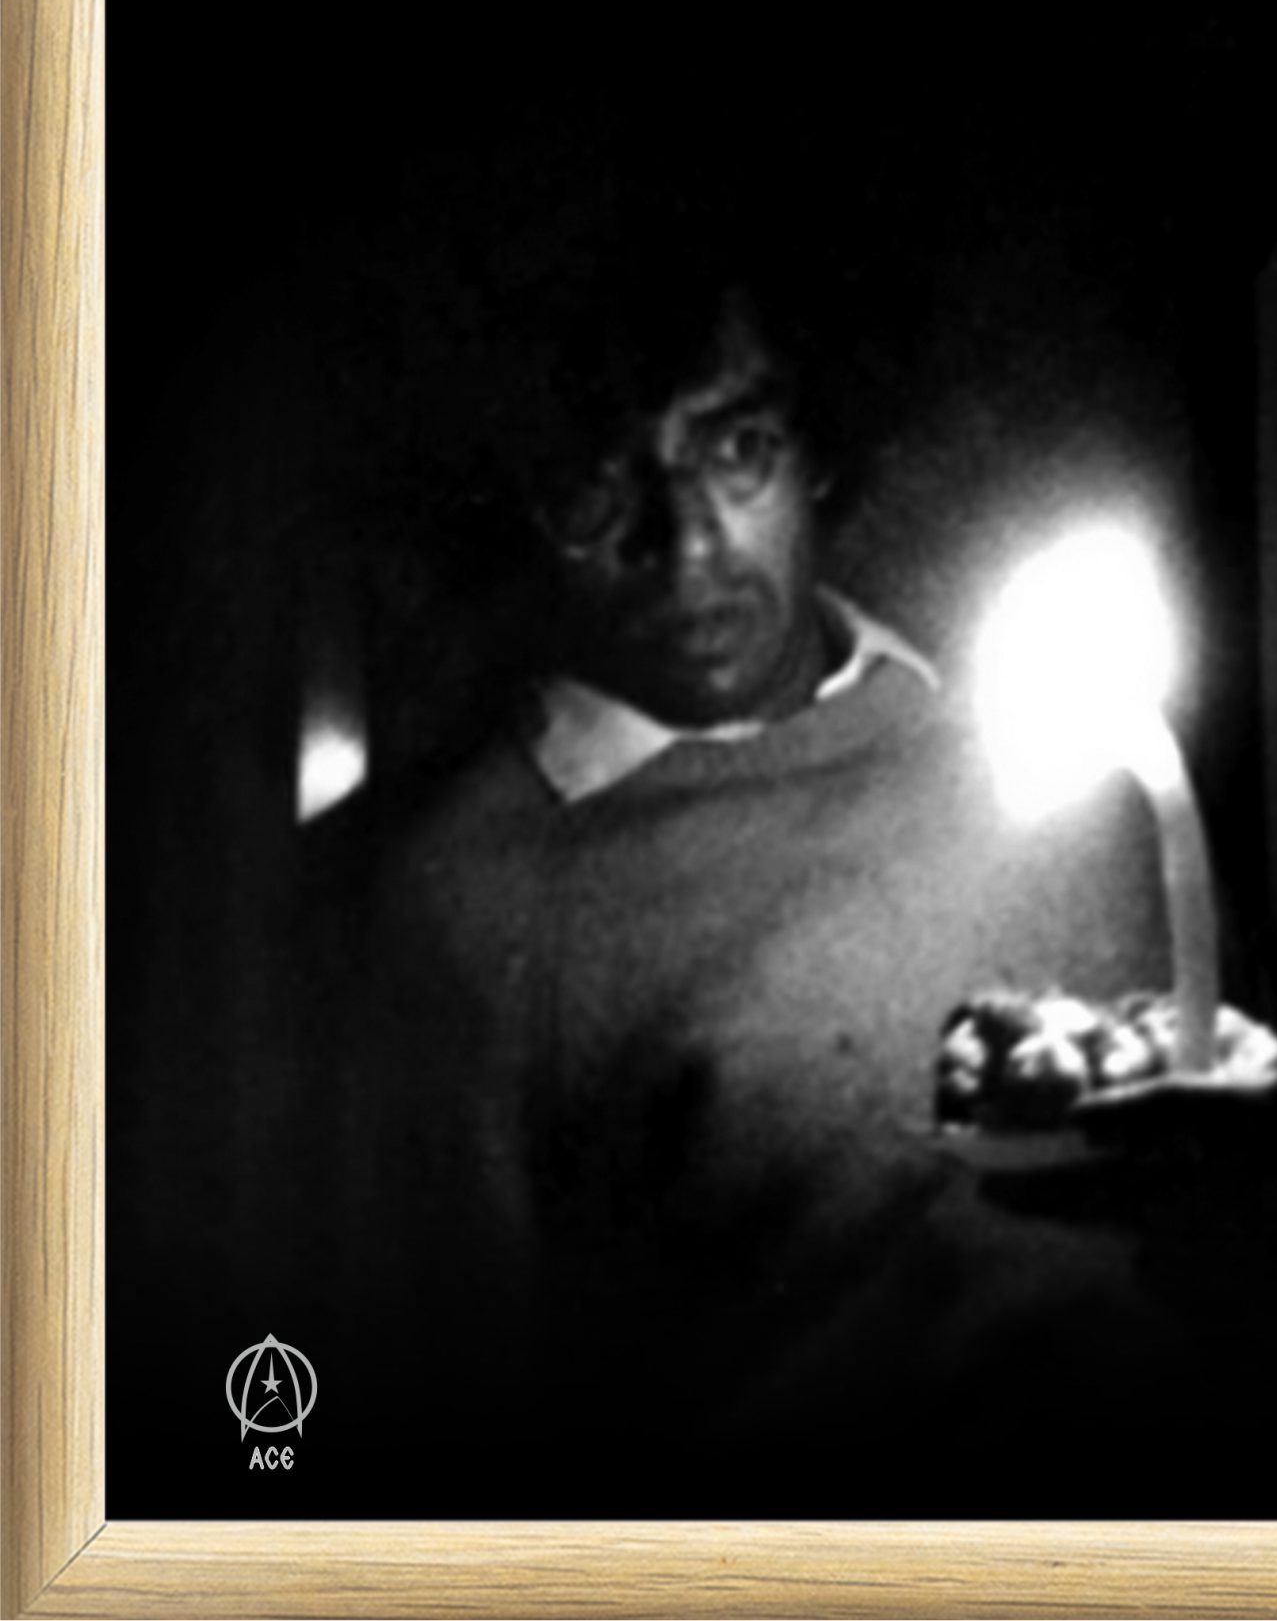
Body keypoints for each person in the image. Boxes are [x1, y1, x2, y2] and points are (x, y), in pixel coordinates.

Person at [272, 236, 1181, 1509]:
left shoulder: (1059, 753)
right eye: (602, 484)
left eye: (737, 447)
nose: (688, 544)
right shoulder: (452, 897)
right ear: (524, 504)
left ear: (815, 451)